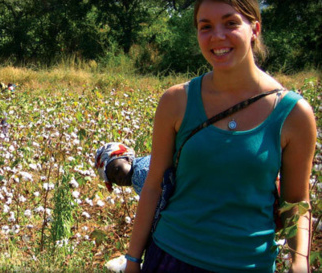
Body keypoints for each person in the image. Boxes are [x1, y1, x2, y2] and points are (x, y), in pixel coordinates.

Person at [125, 1, 315, 272]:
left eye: (230, 23)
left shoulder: (294, 114)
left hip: (249, 265)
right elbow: (154, 186)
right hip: (170, 257)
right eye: (206, 27)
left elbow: (296, 203)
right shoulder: (176, 101)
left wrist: (300, 261)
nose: (217, 36)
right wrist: (133, 259)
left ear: (255, 29)